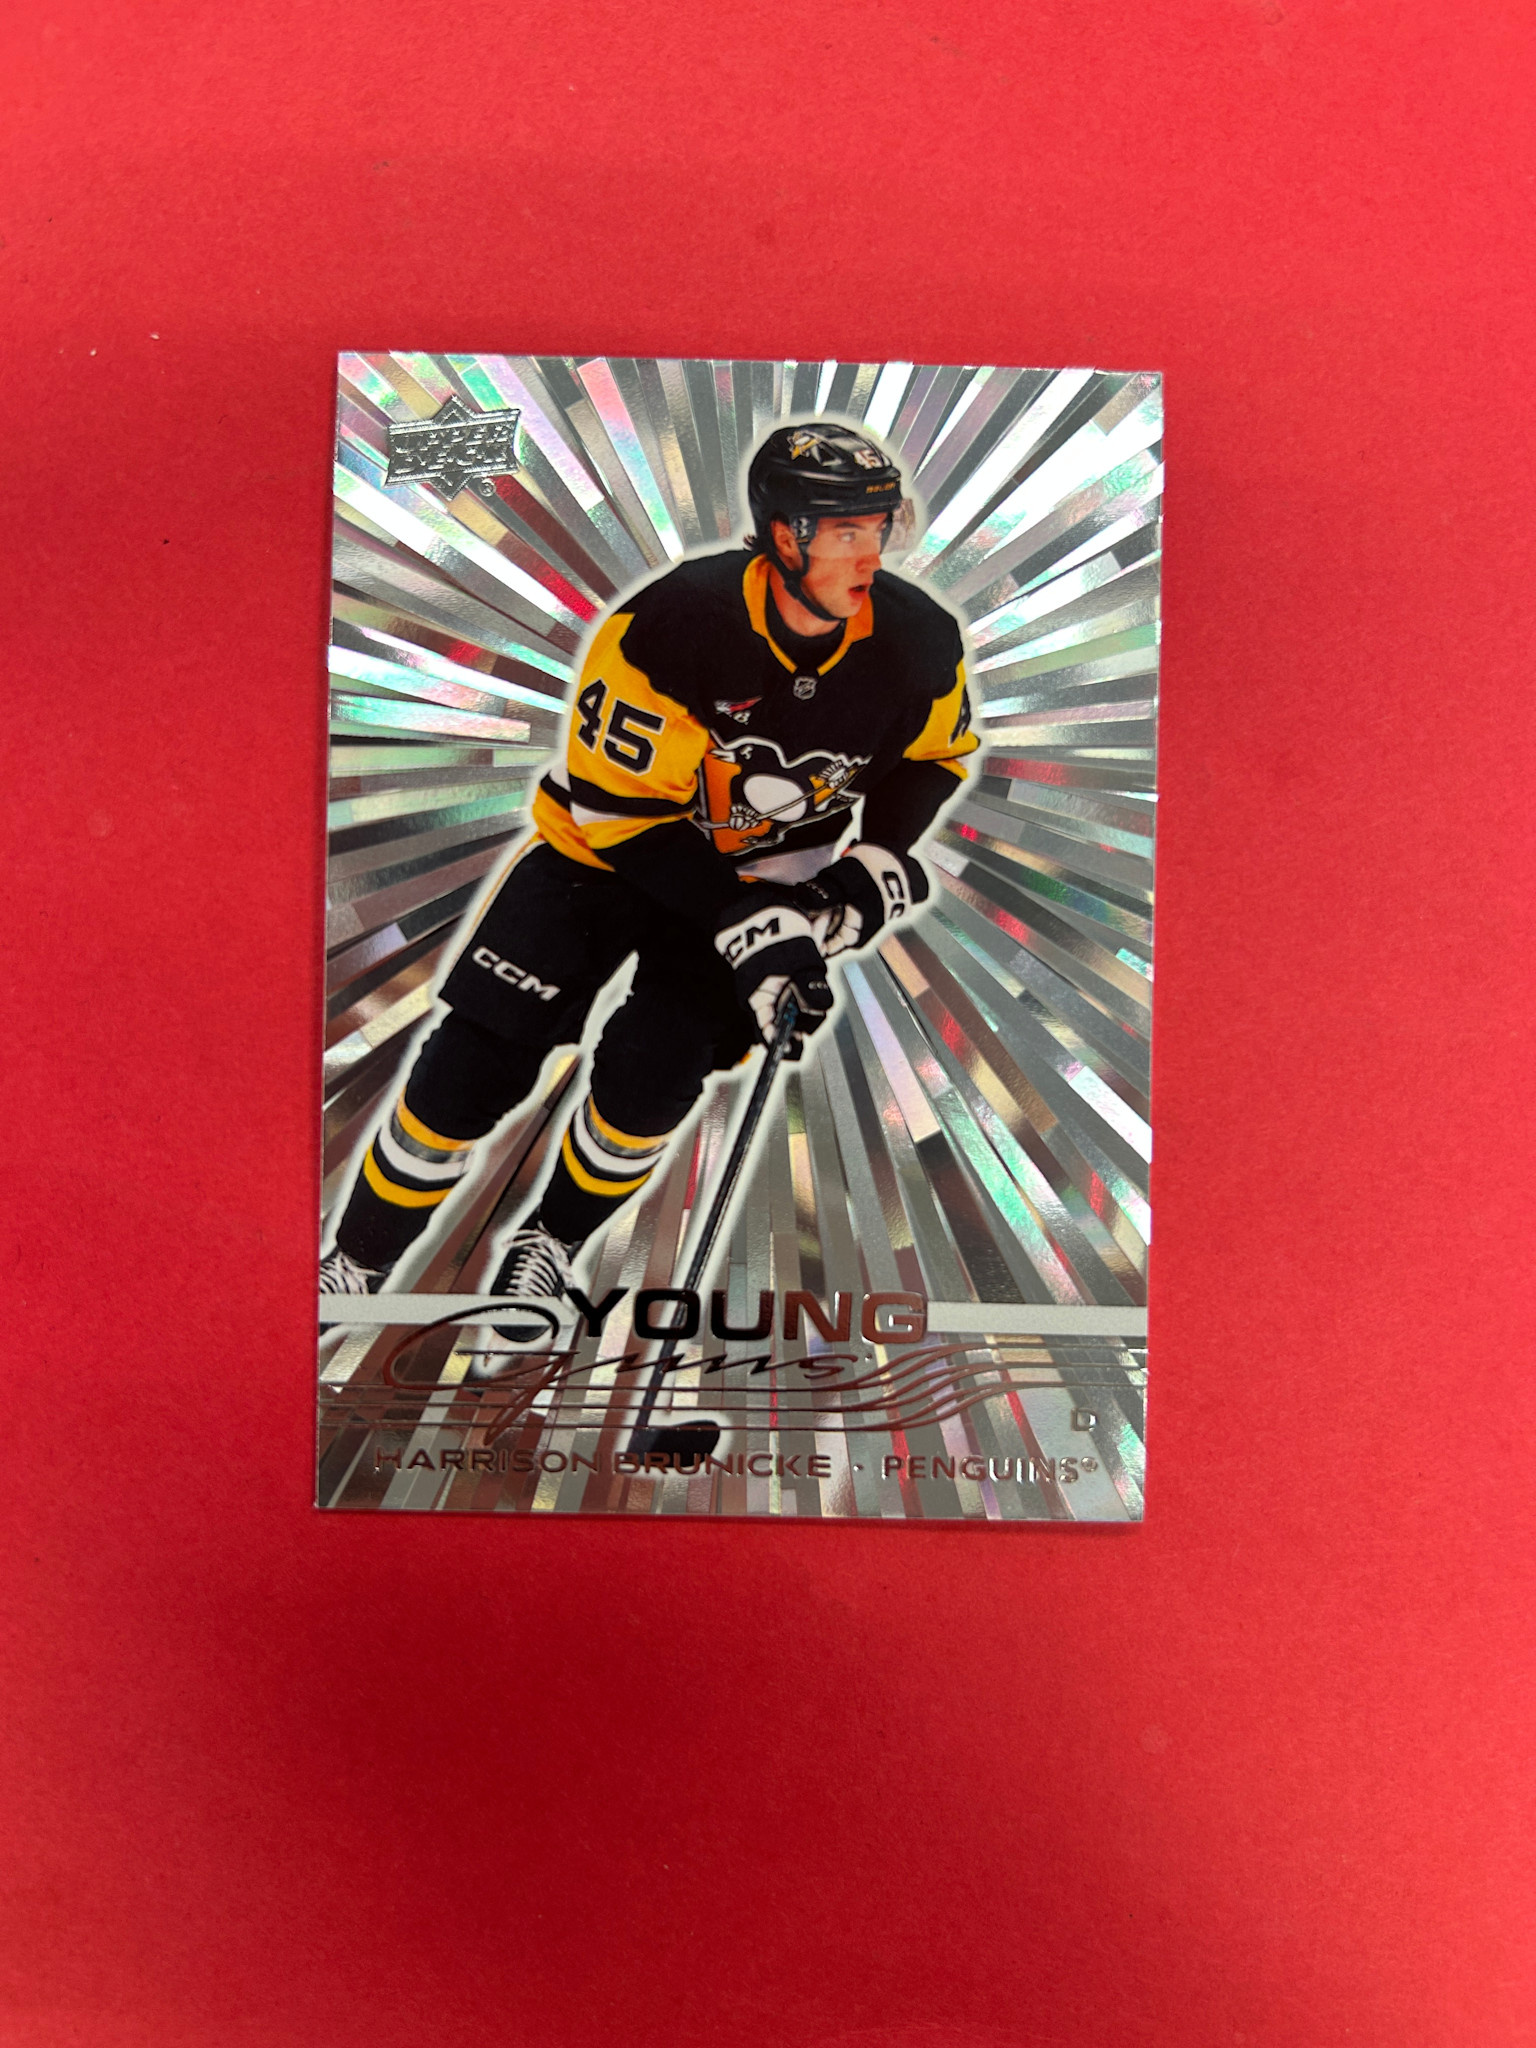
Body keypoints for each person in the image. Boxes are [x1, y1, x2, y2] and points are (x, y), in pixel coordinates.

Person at [319, 420, 978, 1326]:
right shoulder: (675, 624)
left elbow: (931, 760)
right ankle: (358, 1257)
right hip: (602, 861)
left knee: (651, 1082)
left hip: (762, 881)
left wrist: (868, 863)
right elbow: (622, 817)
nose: (871, 556)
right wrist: (755, 929)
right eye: (845, 532)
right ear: (783, 536)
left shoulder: (917, 638)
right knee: (470, 1069)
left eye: (880, 528)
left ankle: (549, 1243)